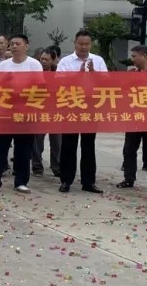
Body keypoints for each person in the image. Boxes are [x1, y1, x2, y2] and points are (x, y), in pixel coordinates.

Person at [0, 34, 42, 193]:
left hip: (25, 113)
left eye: (18, 44)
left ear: (26, 46)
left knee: (23, 149)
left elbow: (40, 87)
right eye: (12, 44)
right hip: (5, 112)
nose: (14, 46)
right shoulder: (4, 65)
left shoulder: (34, 65)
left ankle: (21, 181)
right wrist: (5, 81)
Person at [56, 31, 105, 194]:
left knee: (88, 144)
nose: (84, 47)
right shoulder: (66, 62)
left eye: (87, 44)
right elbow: (59, 82)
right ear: (75, 43)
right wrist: (78, 74)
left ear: (91, 44)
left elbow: (107, 82)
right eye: (81, 44)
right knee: (68, 144)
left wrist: (94, 74)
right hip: (71, 105)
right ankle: (66, 180)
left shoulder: (98, 60)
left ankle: (88, 182)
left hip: (91, 106)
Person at [118, 45, 147, 192]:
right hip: (134, 117)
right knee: (129, 149)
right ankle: (129, 178)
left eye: (134, 56)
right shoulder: (132, 74)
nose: (132, 59)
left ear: (144, 56)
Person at [33, 45, 62, 177]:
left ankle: (57, 167)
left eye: (46, 59)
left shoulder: (59, 73)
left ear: (53, 60)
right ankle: (37, 167)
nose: (43, 62)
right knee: (37, 141)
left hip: (55, 111)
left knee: (56, 141)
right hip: (39, 110)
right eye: (42, 59)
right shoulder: (35, 72)